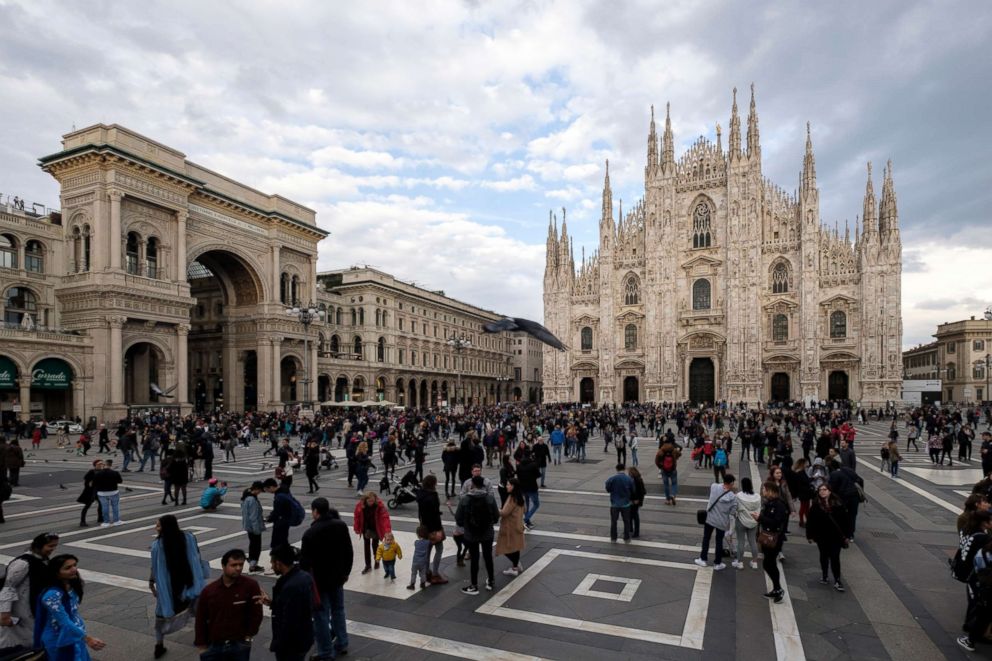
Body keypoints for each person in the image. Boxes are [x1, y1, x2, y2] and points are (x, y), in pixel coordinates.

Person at [150, 514, 210, 658]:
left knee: (161, 617)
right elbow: (197, 556)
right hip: (192, 585)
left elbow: (155, 568)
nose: (155, 527)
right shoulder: (189, 537)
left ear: (166, 527)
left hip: (169, 590)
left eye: (158, 525)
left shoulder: (157, 546)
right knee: (199, 613)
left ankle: (159, 645)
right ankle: (201, 639)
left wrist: (151, 583)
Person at [301, 498, 353, 660]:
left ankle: (325, 651)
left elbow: (305, 562)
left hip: (319, 581)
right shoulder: (340, 525)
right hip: (338, 577)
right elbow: (348, 551)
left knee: (321, 615)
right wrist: (346, 572)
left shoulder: (310, 533)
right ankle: (342, 643)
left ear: (315, 511)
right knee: (338, 610)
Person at [194, 549, 263, 661]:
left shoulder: (251, 586)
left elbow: (256, 613)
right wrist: (201, 645)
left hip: (239, 644)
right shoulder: (209, 591)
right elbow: (201, 618)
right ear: (223, 565)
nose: (238, 568)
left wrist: (249, 636)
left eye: (241, 564)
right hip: (214, 645)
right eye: (234, 565)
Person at [34, 554, 106, 659]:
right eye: (68, 568)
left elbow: (74, 613)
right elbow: (64, 622)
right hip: (59, 639)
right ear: (56, 572)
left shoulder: (72, 585)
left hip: (76, 635)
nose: (74, 569)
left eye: (74, 565)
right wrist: (88, 639)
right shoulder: (51, 595)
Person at [0, 532, 60, 650]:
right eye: (50, 546)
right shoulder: (22, 563)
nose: (52, 549)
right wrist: (4, 615)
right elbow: (7, 588)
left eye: (54, 546)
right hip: (22, 608)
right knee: (18, 643)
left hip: (34, 607)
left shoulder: (43, 559)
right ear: (38, 546)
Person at [259, 545, 315, 661]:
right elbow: (294, 606)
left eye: (272, 563)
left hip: (292, 644)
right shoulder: (304, 576)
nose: (272, 566)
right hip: (304, 637)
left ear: (279, 563)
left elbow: (289, 620)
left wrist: (278, 644)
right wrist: (272, 603)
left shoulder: (291, 586)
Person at [455, 474, 500, 595]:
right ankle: (491, 581)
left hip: (471, 534)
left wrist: (466, 525)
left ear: (472, 485)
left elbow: (458, 518)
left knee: (474, 558)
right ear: (483, 485)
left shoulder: (465, 499)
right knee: (488, 556)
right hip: (487, 532)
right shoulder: (489, 498)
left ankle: (474, 586)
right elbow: (496, 517)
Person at [805, 483, 850, 592]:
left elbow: (845, 521)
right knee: (824, 556)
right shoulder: (815, 505)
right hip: (822, 536)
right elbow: (810, 521)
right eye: (820, 490)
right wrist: (809, 535)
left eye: (824, 489)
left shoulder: (838, 504)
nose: (822, 491)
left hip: (836, 537)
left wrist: (847, 535)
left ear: (829, 491)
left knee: (835, 557)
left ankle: (837, 579)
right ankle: (825, 574)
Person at [754, 480, 789, 603]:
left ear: (770, 491)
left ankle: (778, 589)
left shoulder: (779, 505)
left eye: (764, 489)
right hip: (766, 538)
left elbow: (776, 523)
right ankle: (776, 588)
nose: (762, 491)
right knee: (768, 564)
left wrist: (760, 518)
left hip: (774, 539)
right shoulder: (769, 503)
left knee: (769, 564)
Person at [695, 473, 737, 570]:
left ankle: (703, 559)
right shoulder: (733, 497)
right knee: (719, 542)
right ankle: (717, 563)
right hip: (721, 522)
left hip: (710, 519)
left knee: (706, 539)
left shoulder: (714, 487)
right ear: (731, 483)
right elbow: (732, 511)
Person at [415, 474, 447, 584]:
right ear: (433, 484)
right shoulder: (432, 496)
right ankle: (435, 574)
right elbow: (434, 516)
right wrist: (438, 530)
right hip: (433, 527)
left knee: (427, 551)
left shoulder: (421, 494)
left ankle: (427, 572)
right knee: (439, 549)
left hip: (424, 526)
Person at [495, 477, 526, 576]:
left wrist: (496, 509)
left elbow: (504, 513)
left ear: (513, 486)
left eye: (508, 484)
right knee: (515, 547)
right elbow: (525, 510)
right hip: (517, 525)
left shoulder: (512, 498)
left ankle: (515, 567)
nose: (507, 486)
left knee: (505, 548)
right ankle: (516, 566)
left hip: (510, 527)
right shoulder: (520, 497)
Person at [264, 477, 300, 551]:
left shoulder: (279, 497)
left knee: (277, 542)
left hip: (281, 521)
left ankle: (281, 555)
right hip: (287, 519)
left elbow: (277, 513)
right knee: (284, 539)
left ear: (271, 487)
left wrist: (269, 518)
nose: (268, 492)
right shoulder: (284, 489)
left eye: (267, 490)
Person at [732, 477, 760, 570]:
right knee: (753, 541)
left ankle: (740, 562)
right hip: (753, 521)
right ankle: (755, 562)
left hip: (741, 520)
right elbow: (759, 509)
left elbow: (736, 508)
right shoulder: (757, 496)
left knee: (741, 541)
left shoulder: (739, 495)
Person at [240, 481, 266, 573]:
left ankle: (252, 563)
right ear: (257, 489)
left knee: (252, 545)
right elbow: (253, 517)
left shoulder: (246, 496)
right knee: (256, 546)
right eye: (260, 490)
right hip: (254, 527)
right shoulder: (252, 500)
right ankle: (253, 565)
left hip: (248, 526)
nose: (260, 492)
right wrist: (257, 530)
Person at [605, 463, 635, 543]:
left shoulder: (612, 478)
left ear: (616, 469)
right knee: (626, 521)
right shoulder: (629, 479)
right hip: (626, 504)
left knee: (614, 521)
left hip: (615, 503)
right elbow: (633, 490)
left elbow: (607, 487)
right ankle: (626, 537)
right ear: (624, 468)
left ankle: (613, 538)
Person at [94, 458, 123, 526]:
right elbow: (120, 481)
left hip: (102, 493)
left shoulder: (98, 473)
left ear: (104, 465)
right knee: (115, 507)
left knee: (104, 507)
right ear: (111, 465)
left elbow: (95, 483)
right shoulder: (115, 473)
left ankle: (106, 522)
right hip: (113, 492)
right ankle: (116, 521)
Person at [516, 452, 540, 530]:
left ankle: (527, 522)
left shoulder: (519, 465)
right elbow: (538, 475)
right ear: (530, 456)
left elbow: (518, 476)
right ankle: (526, 518)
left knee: (526, 504)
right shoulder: (533, 465)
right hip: (532, 487)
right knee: (536, 504)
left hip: (522, 487)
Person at [77, 459, 104, 527]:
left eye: (102, 464)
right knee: (87, 506)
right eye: (99, 464)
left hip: (98, 491)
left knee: (101, 505)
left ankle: (100, 518)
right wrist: (91, 483)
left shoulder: (102, 471)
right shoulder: (91, 472)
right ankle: (82, 521)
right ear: (95, 465)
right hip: (91, 492)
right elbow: (87, 482)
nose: (101, 465)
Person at [406, 526, 431, 590]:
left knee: (413, 574)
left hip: (415, 562)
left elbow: (416, 543)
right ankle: (423, 584)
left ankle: (412, 585)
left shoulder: (416, 542)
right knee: (423, 573)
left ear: (418, 535)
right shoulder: (428, 542)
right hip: (423, 562)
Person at [628, 466, 646, 539]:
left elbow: (642, 492)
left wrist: (638, 500)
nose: (628, 474)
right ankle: (630, 529)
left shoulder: (637, 480)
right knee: (631, 515)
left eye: (629, 472)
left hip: (635, 500)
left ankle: (636, 532)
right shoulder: (634, 479)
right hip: (632, 500)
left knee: (635, 516)